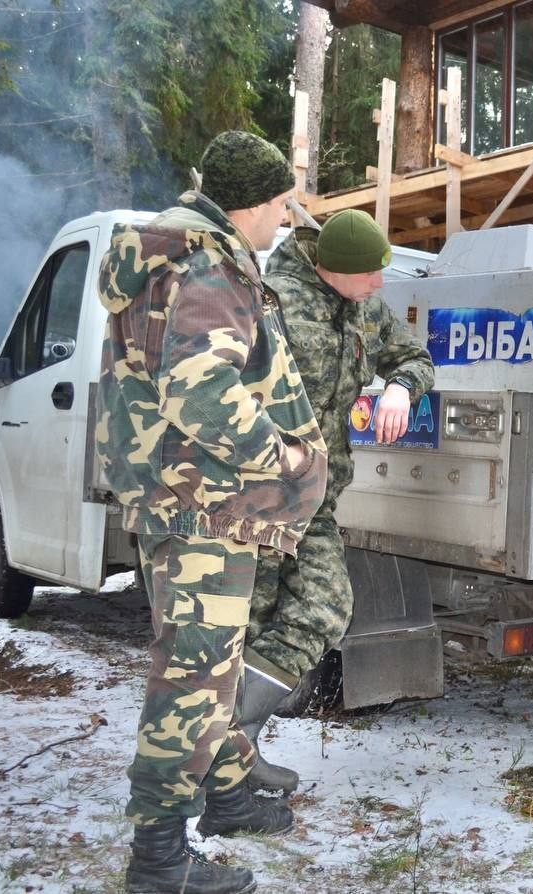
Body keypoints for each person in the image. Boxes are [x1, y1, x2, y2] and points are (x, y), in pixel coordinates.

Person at [97, 131, 328, 893]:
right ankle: (159, 859)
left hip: (190, 497)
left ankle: (226, 796)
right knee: (194, 680)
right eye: (282, 206)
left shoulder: (179, 258)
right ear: (252, 204)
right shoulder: (207, 267)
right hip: (206, 504)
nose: (285, 221)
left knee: (211, 667)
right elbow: (200, 391)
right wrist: (285, 459)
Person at [243, 209, 434, 792]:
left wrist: (400, 388)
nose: (379, 283)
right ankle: (230, 760)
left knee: (326, 606)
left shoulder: (365, 308)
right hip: (257, 497)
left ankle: (228, 744)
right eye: (369, 274)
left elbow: (414, 357)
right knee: (246, 624)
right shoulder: (268, 302)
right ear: (331, 269)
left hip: (318, 497)